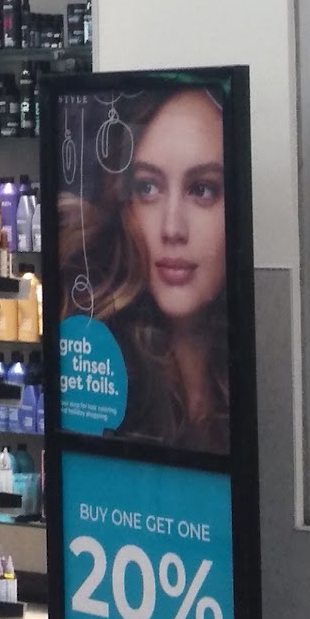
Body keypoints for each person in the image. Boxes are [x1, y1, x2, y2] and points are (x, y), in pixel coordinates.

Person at [59, 85, 229, 453]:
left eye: (202, 190)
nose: (172, 228)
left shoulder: (253, 377)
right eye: (148, 188)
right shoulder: (102, 365)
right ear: (125, 205)